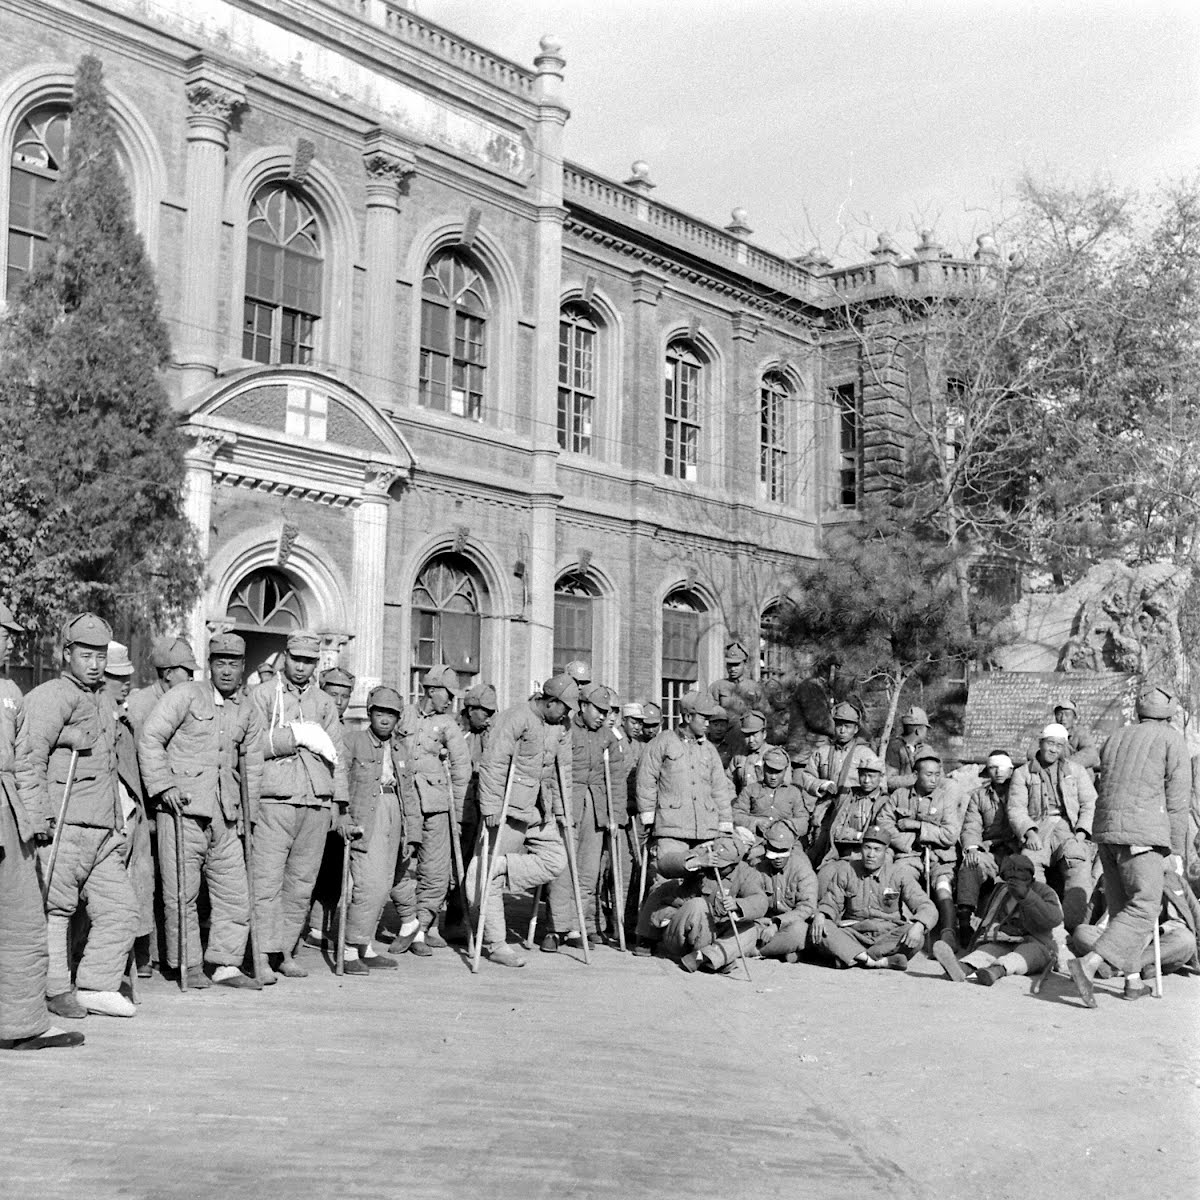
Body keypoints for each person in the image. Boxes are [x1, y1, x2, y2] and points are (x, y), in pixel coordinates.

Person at [16, 613, 138, 1018]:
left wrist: (118, 826)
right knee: (57, 910)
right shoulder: (51, 696)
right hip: (62, 825)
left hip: (102, 832)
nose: (94, 664)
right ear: (66, 653)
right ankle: (54, 989)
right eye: (85, 655)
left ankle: (97, 986)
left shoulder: (103, 700)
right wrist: (38, 819)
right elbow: (28, 759)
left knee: (121, 909)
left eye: (100, 656)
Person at [138, 632, 263, 990]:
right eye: (220, 663)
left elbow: (252, 765)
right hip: (183, 811)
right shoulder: (185, 695)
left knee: (235, 893)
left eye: (234, 664)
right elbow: (151, 738)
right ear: (209, 665)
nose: (226, 671)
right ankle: (187, 964)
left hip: (227, 816)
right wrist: (164, 786)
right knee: (181, 893)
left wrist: (248, 817)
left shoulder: (247, 709)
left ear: (243, 668)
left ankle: (225, 963)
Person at [1066, 685, 1190, 1008]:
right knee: (1145, 906)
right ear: (1169, 714)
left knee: (1121, 908)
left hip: (1106, 835)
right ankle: (1089, 965)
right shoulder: (1172, 740)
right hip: (1143, 837)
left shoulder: (1116, 736)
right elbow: (1178, 803)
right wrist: (1176, 850)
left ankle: (1132, 981)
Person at [1, 600, 85, 1050]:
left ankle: (19, 1026)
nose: (10, 639)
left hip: (9, 816)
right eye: (3, 631)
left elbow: (26, 763)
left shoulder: (12, 691)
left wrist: (37, 819)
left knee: (23, 922)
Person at [249, 630, 349, 981]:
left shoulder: (324, 703)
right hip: (274, 800)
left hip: (316, 802)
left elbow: (338, 754)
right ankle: (261, 954)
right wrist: (292, 738)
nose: (302, 667)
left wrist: (338, 802)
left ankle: (285, 951)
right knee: (266, 882)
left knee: (301, 884)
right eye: (296, 659)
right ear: (285, 657)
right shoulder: (262, 695)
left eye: (309, 661)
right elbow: (248, 745)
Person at [466, 673, 574, 967]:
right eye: (564, 707)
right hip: (510, 807)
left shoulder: (560, 726)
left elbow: (563, 769)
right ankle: (497, 944)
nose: (568, 714)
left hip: (542, 810)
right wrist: (490, 804)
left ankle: (502, 866)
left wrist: (564, 813)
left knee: (556, 860)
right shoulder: (515, 717)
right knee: (486, 881)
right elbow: (494, 762)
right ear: (550, 702)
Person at [342, 686, 421, 975]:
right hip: (367, 814)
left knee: (386, 881)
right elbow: (341, 783)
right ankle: (350, 948)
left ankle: (366, 947)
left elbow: (409, 791)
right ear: (369, 713)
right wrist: (343, 817)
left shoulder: (401, 748)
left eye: (391, 714)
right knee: (369, 883)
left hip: (394, 813)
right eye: (379, 712)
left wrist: (413, 832)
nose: (385, 719)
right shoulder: (353, 742)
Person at [544, 683, 621, 952]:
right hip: (568, 803)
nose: (602, 716)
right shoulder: (565, 729)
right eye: (598, 710)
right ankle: (556, 928)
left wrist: (615, 815)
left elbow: (617, 777)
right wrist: (555, 808)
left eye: (606, 711)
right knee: (562, 869)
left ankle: (576, 927)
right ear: (584, 706)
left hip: (597, 807)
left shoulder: (607, 736)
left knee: (588, 871)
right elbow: (552, 772)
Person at [400, 664, 470, 956]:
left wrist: (460, 815)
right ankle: (409, 919)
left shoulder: (450, 725)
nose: (451, 701)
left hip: (438, 804)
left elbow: (461, 769)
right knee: (398, 865)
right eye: (447, 694)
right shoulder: (403, 714)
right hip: (403, 802)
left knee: (435, 869)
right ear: (431, 690)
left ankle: (424, 927)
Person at [690, 819, 818, 971]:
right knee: (745, 930)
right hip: (759, 924)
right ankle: (716, 955)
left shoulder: (803, 870)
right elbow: (750, 896)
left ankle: (748, 951)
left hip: (788, 924)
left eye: (783, 851)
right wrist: (737, 905)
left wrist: (777, 924)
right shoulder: (757, 867)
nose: (777, 857)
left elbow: (806, 907)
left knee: (799, 932)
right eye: (773, 850)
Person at [635, 690, 735, 886]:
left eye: (710, 718)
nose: (708, 723)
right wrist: (648, 814)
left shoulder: (709, 750)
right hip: (671, 830)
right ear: (688, 717)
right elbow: (646, 778)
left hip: (705, 833)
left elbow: (720, 789)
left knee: (698, 888)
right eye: (703, 718)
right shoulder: (663, 742)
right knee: (666, 884)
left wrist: (724, 822)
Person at [1007, 722, 1097, 932]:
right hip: (1038, 827)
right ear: (1041, 743)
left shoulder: (1076, 771)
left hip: (1069, 827)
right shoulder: (1023, 773)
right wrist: (1029, 831)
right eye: (1050, 743)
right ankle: (1043, 922)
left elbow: (1090, 803)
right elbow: (1016, 808)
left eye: (1059, 745)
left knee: (1078, 865)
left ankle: (1070, 926)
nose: (1054, 749)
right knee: (1027, 865)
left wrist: (1082, 833)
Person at [809, 824, 936, 971]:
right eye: (867, 848)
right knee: (824, 927)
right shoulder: (847, 870)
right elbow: (831, 902)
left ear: (886, 852)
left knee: (916, 936)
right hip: (854, 933)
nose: (871, 854)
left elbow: (926, 906)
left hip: (887, 936)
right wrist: (822, 915)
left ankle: (852, 957)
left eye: (877, 850)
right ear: (861, 849)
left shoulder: (899, 873)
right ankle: (876, 961)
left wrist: (919, 926)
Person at [102, 642, 155, 980]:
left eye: (126, 677)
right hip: (104, 820)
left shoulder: (124, 719)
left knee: (136, 886)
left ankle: (127, 959)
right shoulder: (92, 715)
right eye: (115, 677)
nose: (125, 684)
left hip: (130, 814)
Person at [636, 834, 767, 970]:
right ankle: (716, 959)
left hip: (716, 932)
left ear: (735, 863)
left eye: (724, 865)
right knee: (698, 904)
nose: (717, 866)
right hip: (683, 933)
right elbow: (664, 865)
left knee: (751, 930)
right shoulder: (704, 854)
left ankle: (706, 957)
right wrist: (697, 861)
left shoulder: (747, 873)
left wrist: (738, 904)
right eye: (716, 861)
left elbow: (760, 900)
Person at [932, 853, 1063, 986]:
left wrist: (1027, 896)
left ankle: (995, 971)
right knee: (988, 951)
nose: (1014, 875)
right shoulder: (1002, 892)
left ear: (1030, 874)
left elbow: (1054, 918)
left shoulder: (1044, 891)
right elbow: (990, 919)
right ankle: (960, 969)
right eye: (1010, 873)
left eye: (1019, 871)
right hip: (1004, 939)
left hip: (1038, 943)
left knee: (1023, 956)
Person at [876, 748, 962, 948]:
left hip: (940, 858)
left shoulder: (945, 798)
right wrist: (907, 842)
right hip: (909, 856)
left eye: (937, 775)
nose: (934, 779)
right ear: (915, 775)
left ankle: (948, 934)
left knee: (943, 888)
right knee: (895, 881)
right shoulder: (900, 795)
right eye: (929, 774)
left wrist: (918, 826)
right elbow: (884, 823)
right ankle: (891, 927)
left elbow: (950, 834)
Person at [1071, 866, 1200, 996]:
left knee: (1186, 940)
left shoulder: (1172, 879)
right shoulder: (1109, 876)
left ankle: (1117, 968)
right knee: (1082, 932)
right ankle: (1139, 968)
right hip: (1115, 939)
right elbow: (1091, 914)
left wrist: (1154, 932)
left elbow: (1194, 912)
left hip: (1154, 943)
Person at [956, 751, 1020, 946]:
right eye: (992, 767)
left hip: (1015, 849)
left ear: (1010, 769)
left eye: (1002, 767)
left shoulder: (1020, 791)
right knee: (970, 866)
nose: (998, 772)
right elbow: (971, 826)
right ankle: (965, 922)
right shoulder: (979, 796)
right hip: (990, 850)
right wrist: (973, 848)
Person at [796, 702, 876, 840]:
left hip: (854, 813)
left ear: (856, 729)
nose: (842, 730)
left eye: (847, 726)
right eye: (839, 725)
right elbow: (808, 776)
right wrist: (822, 785)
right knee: (818, 848)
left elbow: (878, 782)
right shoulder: (823, 752)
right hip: (826, 810)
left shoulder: (866, 754)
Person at [809, 752, 888, 885]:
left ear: (881, 777)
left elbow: (880, 835)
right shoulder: (849, 797)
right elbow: (837, 830)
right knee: (824, 876)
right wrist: (858, 835)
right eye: (863, 775)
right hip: (843, 854)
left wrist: (852, 835)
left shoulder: (885, 801)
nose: (866, 780)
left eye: (871, 776)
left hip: (870, 855)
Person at [732, 746, 810, 840]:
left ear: (785, 770)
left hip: (786, 841)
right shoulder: (750, 790)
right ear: (763, 768)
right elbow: (736, 815)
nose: (773, 777)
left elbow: (803, 820)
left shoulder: (794, 792)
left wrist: (786, 825)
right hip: (756, 840)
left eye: (778, 772)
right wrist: (755, 822)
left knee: (799, 855)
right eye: (770, 771)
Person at [126, 636, 197, 737]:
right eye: (188, 672)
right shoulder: (138, 706)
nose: (191, 678)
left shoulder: (187, 703)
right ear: (168, 674)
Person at [709, 641, 765, 715]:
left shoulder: (755, 687)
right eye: (730, 665)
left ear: (744, 664)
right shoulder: (716, 687)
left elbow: (764, 712)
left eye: (736, 665)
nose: (732, 669)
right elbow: (710, 711)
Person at [1051, 697, 1101, 778]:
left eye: (1067, 715)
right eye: (1059, 714)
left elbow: (1091, 754)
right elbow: (1032, 753)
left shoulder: (1080, 733)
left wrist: (1065, 764)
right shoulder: (1049, 732)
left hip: (1075, 775)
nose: (1063, 718)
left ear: (1074, 717)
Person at [885, 705, 930, 791]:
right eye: (925, 729)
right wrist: (917, 778)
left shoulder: (925, 748)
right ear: (918, 731)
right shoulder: (895, 747)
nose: (926, 733)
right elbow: (889, 781)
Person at [729, 710, 769, 792]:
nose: (751, 740)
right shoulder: (738, 756)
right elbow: (728, 783)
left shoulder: (773, 754)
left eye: (754, 735)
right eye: (747, 736)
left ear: (764, 734)